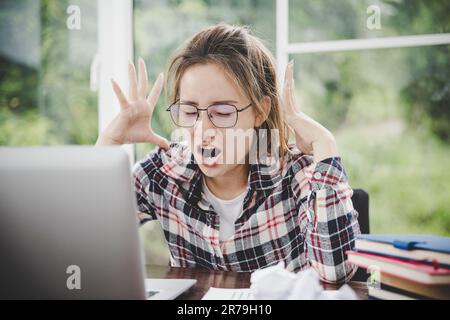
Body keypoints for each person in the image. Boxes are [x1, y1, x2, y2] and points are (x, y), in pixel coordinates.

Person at [96, 23, 360, 284]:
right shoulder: (163, 172)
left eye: (222, 113)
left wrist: (325, 143)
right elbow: (86, 241)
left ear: (260, 110)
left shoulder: (295, 174)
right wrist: (108, 143)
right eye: (189, 113)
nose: (202, 130)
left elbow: (335, 272)